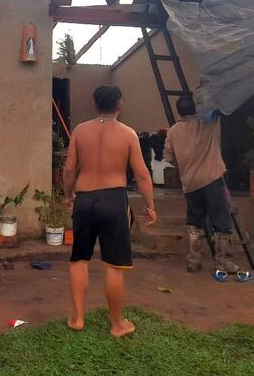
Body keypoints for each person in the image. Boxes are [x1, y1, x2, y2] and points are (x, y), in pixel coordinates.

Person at [63, 85, 157, 337]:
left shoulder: (80, 131)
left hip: (84, 199)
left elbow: (70, 169)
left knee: (79, 258)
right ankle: (117, 324)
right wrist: (150, 206)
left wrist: (67, 195)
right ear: (119, 104)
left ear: (95, 104)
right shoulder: (128, 134)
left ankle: (77, 318)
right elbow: (142, 174)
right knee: (113, 265)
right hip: (113, 200)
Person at [164, 95, 240, 275]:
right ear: (196, 109)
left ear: (178, 111)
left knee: (194, 222)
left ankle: (194, 261)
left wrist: (185, 166)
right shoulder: (206, 123)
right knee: (221, 221)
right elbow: (218, 108)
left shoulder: (173, 130)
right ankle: (223, 262)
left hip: (190, 183)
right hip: (212, 179)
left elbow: (168, 157)